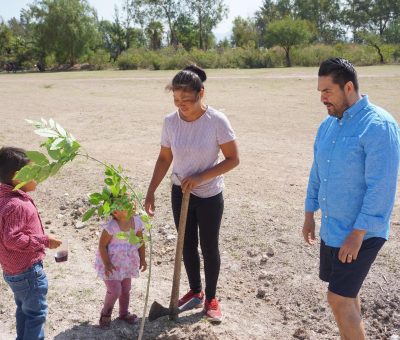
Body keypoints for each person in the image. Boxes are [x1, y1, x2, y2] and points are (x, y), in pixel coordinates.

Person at [303, 57, 400, 339]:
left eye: (327, 92)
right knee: (347, 296)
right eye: (320, 92)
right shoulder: (327, 127)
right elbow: (317, 172)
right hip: (333, 229)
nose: (322, 99)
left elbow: (381, 188)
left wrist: (357, 234)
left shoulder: (379, 126)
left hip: (362, 234)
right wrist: (310, 213)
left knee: (338, 299)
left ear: (348, 87)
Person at [145, 64, 239, 323]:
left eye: (186, 99)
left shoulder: (217, 121)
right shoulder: (170, 122)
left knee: (209, 247)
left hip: (209, 195)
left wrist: (200, 177)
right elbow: (165, 158)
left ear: (201, 94)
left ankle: (210, 298)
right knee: (186, 245)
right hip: (180, 193)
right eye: (176, 99)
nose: (181, 105)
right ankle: (195, 291)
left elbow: (233, 159)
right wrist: (151, 191)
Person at [0, 146, 62, 340]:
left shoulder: (4, 197)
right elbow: (12, 239)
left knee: (24, 310)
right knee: (36, 314)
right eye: (35, 172)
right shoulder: (16, 205)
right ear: (18, 176)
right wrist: (44, 240)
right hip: (28, 273)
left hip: (12, 271)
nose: (40, 176)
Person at [94, 205, 147, 329]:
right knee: (115, 291)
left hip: (127, 264)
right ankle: (105, 314)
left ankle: (123, 313)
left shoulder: (137, 221)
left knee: (126, 289)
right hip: (111, 264)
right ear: (115, 212)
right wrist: (107, 263)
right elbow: (102, 246)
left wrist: (143, 258)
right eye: (125, 204)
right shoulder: (111, 227)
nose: (131, 205)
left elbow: (140, 241)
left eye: (130, 202)